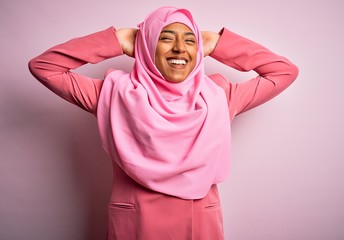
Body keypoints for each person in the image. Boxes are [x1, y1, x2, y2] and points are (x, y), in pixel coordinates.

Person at [28, 6, 298, 240]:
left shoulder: (219, 96)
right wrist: (117, 40)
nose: (180, 48)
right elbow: (43, 66)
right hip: (136, 226)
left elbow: (285, 71)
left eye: (191, 40)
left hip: (199, 228)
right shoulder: (111, 95)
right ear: (145, 46)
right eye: (165, 38)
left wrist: (218, 43)